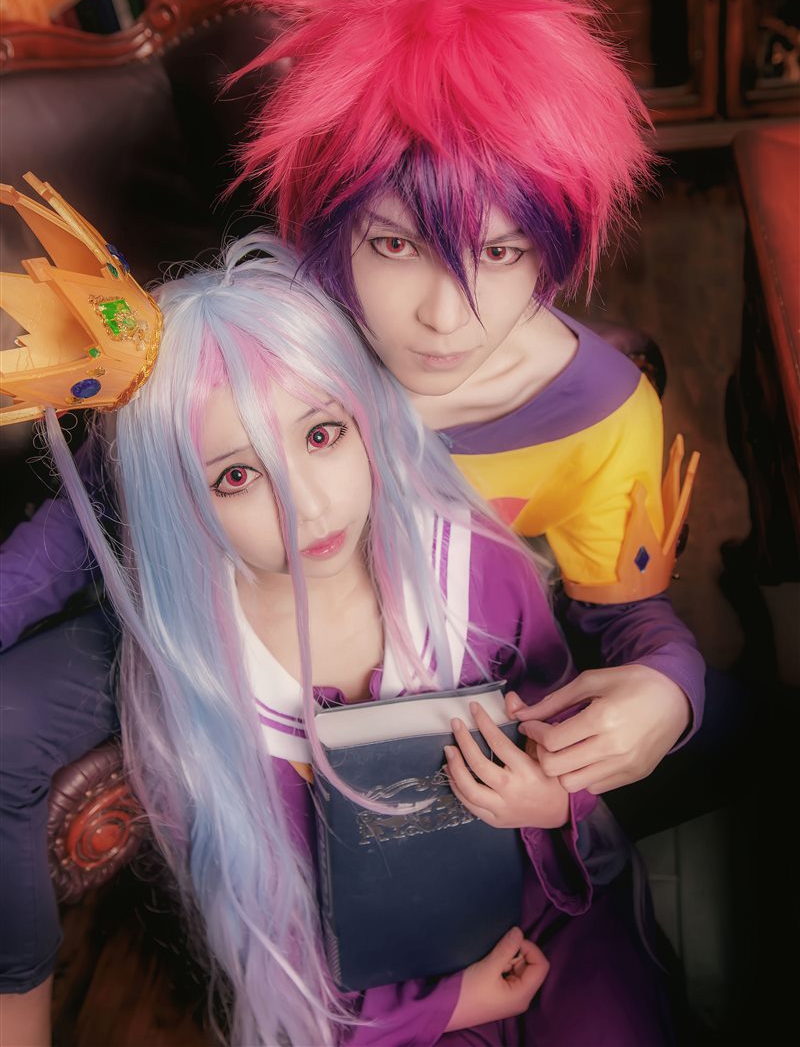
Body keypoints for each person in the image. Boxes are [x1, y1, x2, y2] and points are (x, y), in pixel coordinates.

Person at [35, 235, 670, 1045]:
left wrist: (551, 802)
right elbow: (271, 942)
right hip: (368, 996)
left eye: (322, 435)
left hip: (546, 907)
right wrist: (445, 1008)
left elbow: (570, 755)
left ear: (366, 416)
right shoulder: (198, 682)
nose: (307, 506)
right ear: (180, 502)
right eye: (238, 476)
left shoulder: (474, 571)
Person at [231, 0, 710, 811]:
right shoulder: (267, 344)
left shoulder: (602, 413)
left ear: (556, 246)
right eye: (395, 244)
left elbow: (626, 616)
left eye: (500, 252)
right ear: (330, 227)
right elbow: (106, 504)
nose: (445, 319)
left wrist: (671, 688)